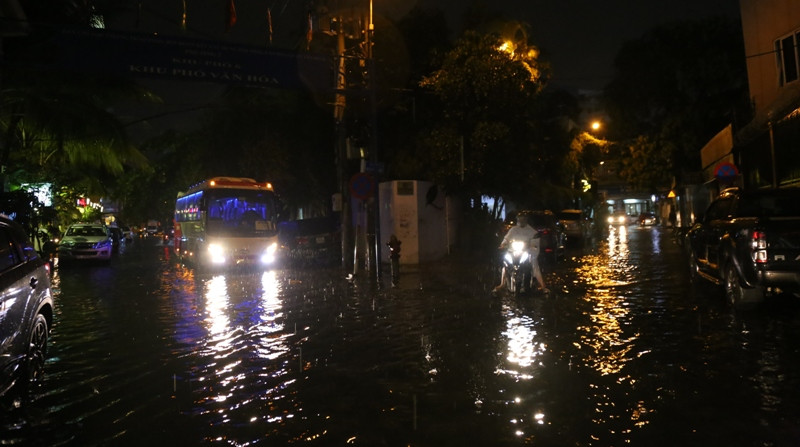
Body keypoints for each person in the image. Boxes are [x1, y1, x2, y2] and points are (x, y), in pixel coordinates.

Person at [493, 214, 548, 294]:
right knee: (505, 263)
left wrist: (531, 246)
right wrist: (503, 244)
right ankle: (502, 283)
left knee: (534, 264)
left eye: (523, 219)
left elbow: (535, 243)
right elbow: (507, 238)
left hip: (526, 252)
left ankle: (543, 286)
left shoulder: (532, 232)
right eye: (519, 219)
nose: (521, 221)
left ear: (526, 220)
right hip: (513, 252)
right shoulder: (513, 230)